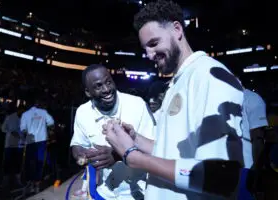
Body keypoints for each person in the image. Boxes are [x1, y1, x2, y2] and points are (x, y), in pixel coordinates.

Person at [103, 1, 245, 199]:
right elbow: (173, 152)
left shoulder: (210, 76)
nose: (149, 55)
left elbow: (221, 177)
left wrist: (134, 157)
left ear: (177, 29)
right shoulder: (175, 84)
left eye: (153, 43)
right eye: (145, 48)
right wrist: (135, 139)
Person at [70, 64, 155, 200]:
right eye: (98, 86)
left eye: (108, 82)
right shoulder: (82, 112)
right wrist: (82, 156)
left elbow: (154, 150)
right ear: (88, 92)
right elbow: (78, 144)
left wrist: (117, 155)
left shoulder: (137, 105)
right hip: (103, 192)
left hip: (137, 193)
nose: (107, 89)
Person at [20, 97, 54, 193]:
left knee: (29, 162)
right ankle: (37, 184)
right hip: (42, 140)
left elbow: (23, 129)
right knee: (40, 162)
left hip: (30, 141)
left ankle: (30, 183)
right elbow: (51, 123)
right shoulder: (43, 112)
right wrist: (46, 129)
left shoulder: (25, 114)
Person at [1, 103, 25, 188]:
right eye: (21, 111)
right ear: (18, 110)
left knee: (18, 163)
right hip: (9, 144)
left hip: (20, 145)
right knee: (7, 163)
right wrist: (11, 132)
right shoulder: (10, 117)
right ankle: (5, 181)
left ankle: (18, 181)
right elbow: (3, 128)